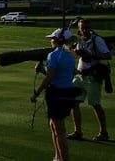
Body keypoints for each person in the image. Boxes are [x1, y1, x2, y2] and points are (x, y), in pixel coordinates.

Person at [31, 28, 78, 161]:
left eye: (53, 39)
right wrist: (42, 68)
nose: (51, 41)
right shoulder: (70, 55)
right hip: (68, 94)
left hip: (57, 95)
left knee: (60, 131)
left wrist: (36, 93)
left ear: (58, 40)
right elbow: (55, 73)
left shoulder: (53, 55)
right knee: (53, 126)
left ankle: (64, 159)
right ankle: (57, 157)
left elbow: (50, 77)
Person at [67, 18, 112, 141]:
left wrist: (90, 55)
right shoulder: (79, 40)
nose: (86, 30)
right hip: (80, 76)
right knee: (74, 103)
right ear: (79, 29)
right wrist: (72, 49)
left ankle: (103, 132)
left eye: (87, 28)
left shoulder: (97, 40)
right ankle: (78, 131)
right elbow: (75, 55)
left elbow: (108, 55)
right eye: (83, 28)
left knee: (95, 105)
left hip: (93, 76)